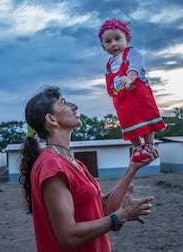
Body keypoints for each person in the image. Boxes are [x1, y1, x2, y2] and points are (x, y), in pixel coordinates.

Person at [19, 86, 157, 252]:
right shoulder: (52, 166)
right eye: (64, 102)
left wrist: (132, 168)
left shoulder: (74, 163)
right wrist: (120, 217)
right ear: (51, 120)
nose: (74, 106)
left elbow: (105, 207)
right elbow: (68, 236)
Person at [98, 18, 166, 162]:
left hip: (138, 96)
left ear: (127, 39)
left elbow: (134, 67)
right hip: (122, 100)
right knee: (128, 122)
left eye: (117, 38)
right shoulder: (109, 64)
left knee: (146, 118)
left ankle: (149, 145)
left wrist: (130, 78)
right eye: (108, 41)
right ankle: (137, 147)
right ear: (103, 46)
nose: (114, 44)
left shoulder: (131, 53)